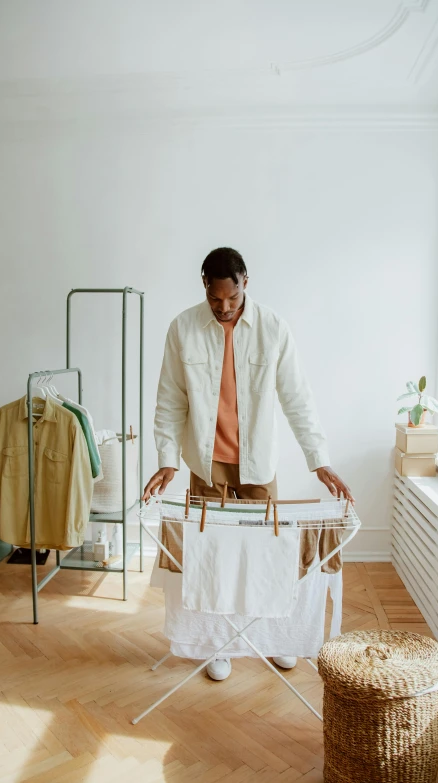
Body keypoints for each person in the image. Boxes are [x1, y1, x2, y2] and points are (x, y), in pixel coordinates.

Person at [143, 247, 354, 681]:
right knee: (212, 559)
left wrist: (320, 461)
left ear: (245, 284)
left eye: (232, 299)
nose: (223, 308)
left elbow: (298, 399)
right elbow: (169, 400)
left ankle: (275, 639)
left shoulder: (273, 329)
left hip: (257, 463)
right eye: (215, 299)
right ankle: (216, 643)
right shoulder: (182, 329)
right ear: (205, 286)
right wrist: (167, 461)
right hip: (205, 464)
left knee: (269, 558)